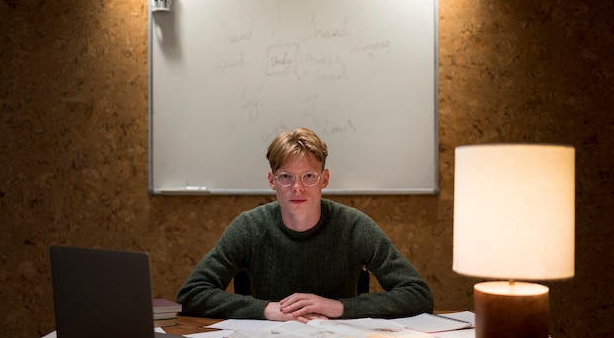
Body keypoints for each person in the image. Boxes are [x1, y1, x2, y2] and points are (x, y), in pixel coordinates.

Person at [176, 127, 434, 321]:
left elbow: (418, 295)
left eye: (309, 176)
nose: (297, 187)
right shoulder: (250, 227)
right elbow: (191, 294)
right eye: (286, 176)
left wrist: (338, 307)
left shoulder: (354, 226)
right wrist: (266, 309)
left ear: (325, 179)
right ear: (271, 181)